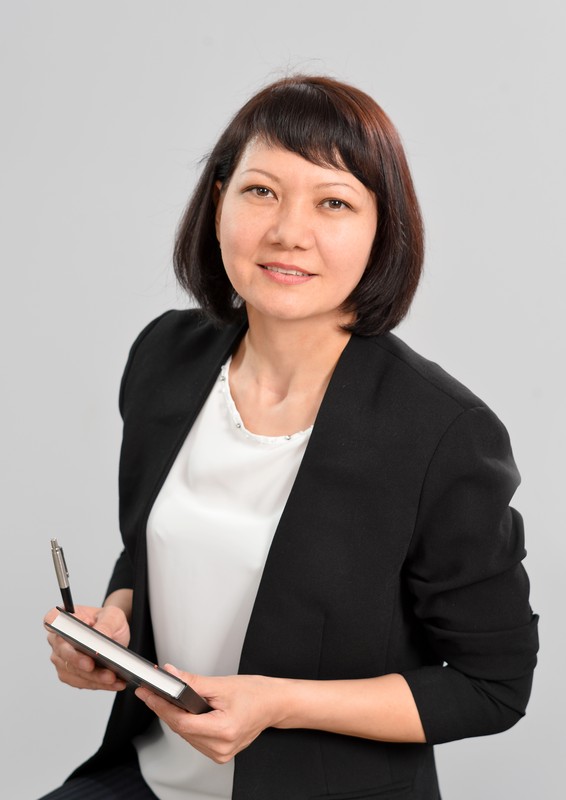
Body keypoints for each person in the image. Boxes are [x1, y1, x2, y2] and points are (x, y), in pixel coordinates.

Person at [41, 74, 539, 800]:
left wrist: (276, 703)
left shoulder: (442, 434)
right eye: (261, 191)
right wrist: (115, 621)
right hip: (144, 778)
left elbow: (492, 686)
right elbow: (150, 548)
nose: (288, 232)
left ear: (382, 229)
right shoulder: (165, 358)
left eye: (333, 202)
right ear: (219, 203)